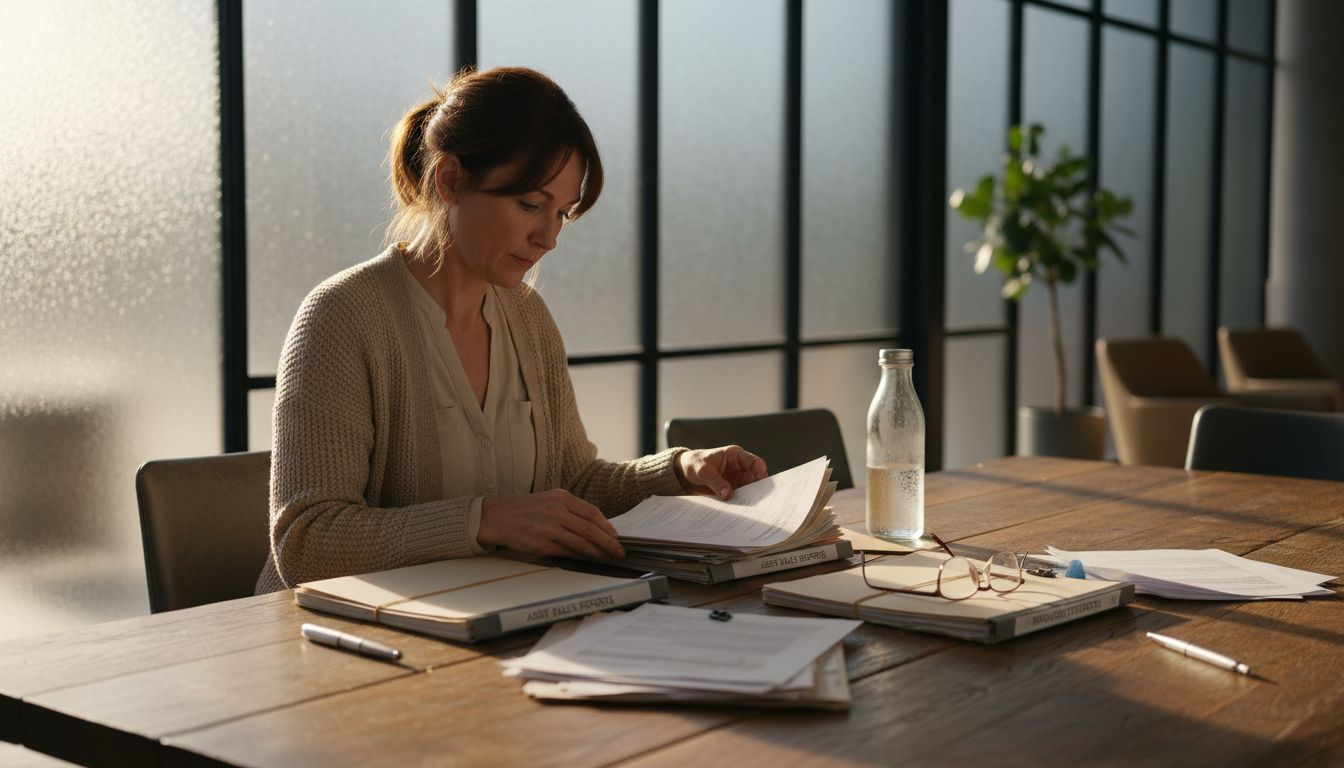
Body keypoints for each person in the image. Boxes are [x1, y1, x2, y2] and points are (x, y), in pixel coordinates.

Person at [256, 67, 765, 592]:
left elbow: (572, 485)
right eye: (530, 204)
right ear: (450, 179)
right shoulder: (342, 317)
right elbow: (306, 541)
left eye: (562, 213)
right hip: (329, 646)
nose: (548, 237)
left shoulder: (527, 318)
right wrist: (485, 521)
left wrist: (682, 470)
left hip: (486, 617)